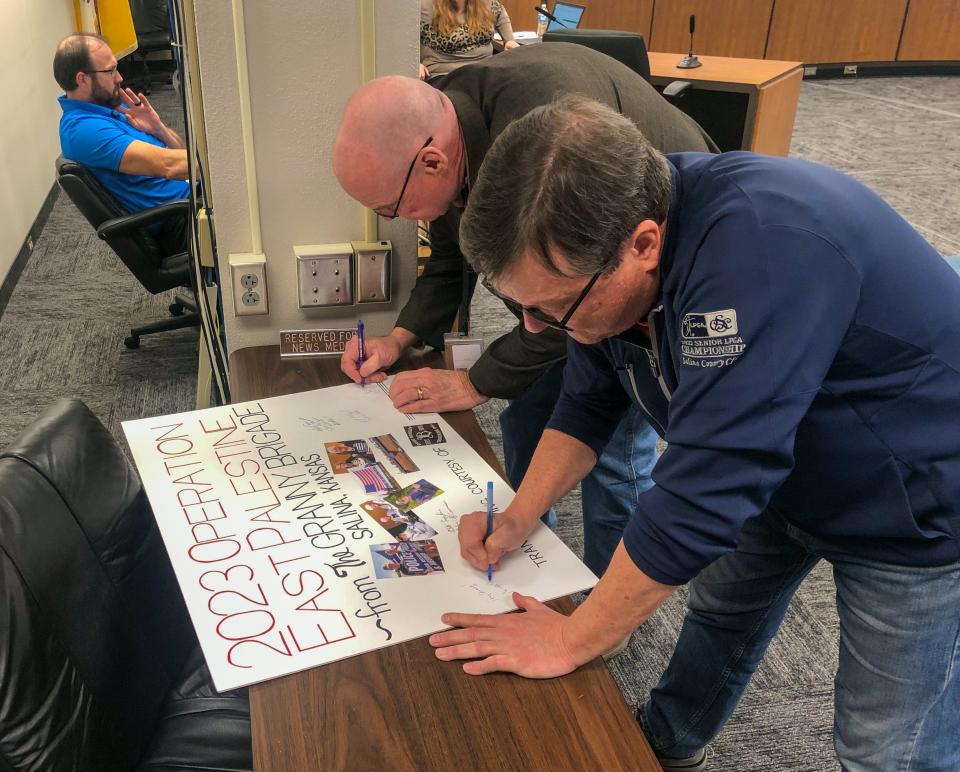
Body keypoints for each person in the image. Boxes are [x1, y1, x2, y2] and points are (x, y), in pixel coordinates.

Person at [428, 96, 960, 771]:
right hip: (781, 473)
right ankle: (669, 744)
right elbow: (588, 402)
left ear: (644, 244)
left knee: (885, 743)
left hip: (913, 498)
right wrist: (517, 516)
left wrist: (571, 639)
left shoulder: (761, 251)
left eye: (552, 308)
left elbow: (705, 488)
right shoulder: (606, 246)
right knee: (720, 612)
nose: (534, 328)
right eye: (524, 307)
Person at [332, 43, 716, 580]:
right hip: (577, 279)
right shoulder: (448, 127)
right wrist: (398, 338)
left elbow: (576, 296)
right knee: (527, 417)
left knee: (613, 450)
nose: (398, 218)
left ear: (432, 162)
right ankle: (537, 560)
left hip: (645, 272)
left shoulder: (543, 137)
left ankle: (605, 598)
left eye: (392, 207)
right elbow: (452, 258)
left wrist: (475, 383)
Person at [54, 33, 190, 253]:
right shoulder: (85, 130)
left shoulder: (107, 109)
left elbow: (180, 156)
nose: (119, 78)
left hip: (187, 198)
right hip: (178, 222)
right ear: (83, 79)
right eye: (110, 71)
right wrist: (225, 163)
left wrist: (159, 129)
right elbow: (171, 166)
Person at [419, 0, 518, 81]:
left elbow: (499, 11)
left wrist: (509, 40)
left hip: (484, 70)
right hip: (445, 74)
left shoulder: (484, 3)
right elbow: (404, 32)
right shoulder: (424, 6)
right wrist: (414, 64)